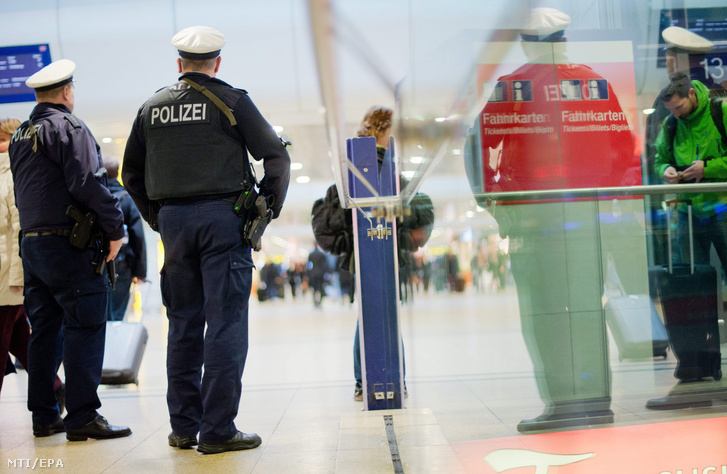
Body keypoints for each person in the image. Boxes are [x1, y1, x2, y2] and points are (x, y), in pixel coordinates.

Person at [464, 8, 637, 432]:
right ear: (565, 40)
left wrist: (498, 205)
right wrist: (608, 199)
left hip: (533, 222)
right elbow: (624, 149)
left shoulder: (512, 88)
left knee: (544, 312)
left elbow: (476, 148)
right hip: (589, 220)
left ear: (525, 43)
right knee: (587, 308)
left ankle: (562, 403)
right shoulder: (595, 84)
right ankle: (597, 400)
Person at [122, 26, 290, 454]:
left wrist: (158, 218)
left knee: (182, 325)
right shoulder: (232, 100)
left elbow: (131, 175)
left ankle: (184, 427)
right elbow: (276, 155)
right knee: (226, 325)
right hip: (224, 221)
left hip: (174, 224)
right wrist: (267, 208)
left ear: (179, 65)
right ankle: (217, 431)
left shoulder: (150, 108)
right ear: (217, 64)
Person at [8, 60, 130, 441]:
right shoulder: (68, 127)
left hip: (33, 246)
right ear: (67, 92)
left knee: (44, 330)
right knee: (86, 326)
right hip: (69, 245)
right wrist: (116, 229)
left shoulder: (20, 135)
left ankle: (44, 416)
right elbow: (90, 184)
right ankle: (81, 417)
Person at [311, 106, 434, 401]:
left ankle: (362, 381)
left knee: (366, 317)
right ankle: (394, 378)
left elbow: (326, 229)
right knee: (389, 316)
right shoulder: (393, 175)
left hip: (362, 261)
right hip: (389, 257)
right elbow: (420, 218)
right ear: (383, 131)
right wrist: (400, 239)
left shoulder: (348, 177)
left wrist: (352, 245)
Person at [644, 27, 727, 267]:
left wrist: (708, 169)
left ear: (679, 60)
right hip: (688, 209)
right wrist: (665, 170)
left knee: (694, 280)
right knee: (694, 273)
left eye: (669, 57)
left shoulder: (714, 104)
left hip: (717, 205)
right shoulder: (714, 92)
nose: (677, 115)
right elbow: (659, 156)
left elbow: (651, 152)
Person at [103, 157, 146, 321]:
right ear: (118, 173)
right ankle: (116, 344)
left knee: (102, 312)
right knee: (118, 313)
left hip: (98, 262)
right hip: (123, 262)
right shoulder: (127, 199)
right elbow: (137, 237)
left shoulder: (95, 198)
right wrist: (140, 271)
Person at [307, 244, 329, 308]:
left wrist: (308, 274)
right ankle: (320, 302)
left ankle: (315, 302)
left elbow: (309, 265)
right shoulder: (321, 254)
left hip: (313, 274)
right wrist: (326, 273)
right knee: (321, 288)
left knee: (314, 289)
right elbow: (325, 265)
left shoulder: (311, 254)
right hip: (320, 274)